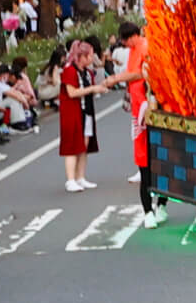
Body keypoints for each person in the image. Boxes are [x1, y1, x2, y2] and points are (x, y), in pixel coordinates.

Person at [102, 22, 165, 227]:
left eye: (127, 40)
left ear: (134, 36)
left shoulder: (145, 47)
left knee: (157, 157)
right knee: (144, 156)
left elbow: (139, 74)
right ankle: (149, 210)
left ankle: (159, 205)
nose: (126, 45)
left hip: (149, 107)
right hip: (139, 109)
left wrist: (115, 78)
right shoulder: (133, 50)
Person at [58, 41, 108, 193]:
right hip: (72, 112)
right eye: (90, 55)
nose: (92, 58)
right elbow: (72, 92)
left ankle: (80, 177)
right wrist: (93, 88)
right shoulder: (69, 70)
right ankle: (70, 179)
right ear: (81, 56)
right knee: (72, 146)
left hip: (86, 111)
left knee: (83, 145)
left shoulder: (87, 72)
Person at [0, 65, 35, 133]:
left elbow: (16, 92)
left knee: (15, 99)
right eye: (8, 75)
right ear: (4, 75)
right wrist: (25, 102)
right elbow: (13, 95)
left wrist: (24, 100)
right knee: (12, 100)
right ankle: (16, 125)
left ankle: (22, 122)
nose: (8, 77)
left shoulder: (0, 82)